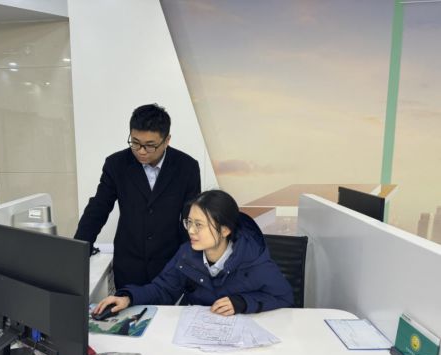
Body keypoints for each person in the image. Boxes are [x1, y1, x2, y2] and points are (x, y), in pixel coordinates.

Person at [93, 190, 294, 317]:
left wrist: (242, 303)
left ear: (225, 230)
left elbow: (284, 297)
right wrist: (128, 297)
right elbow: (163, 289)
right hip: (196, 332)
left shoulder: (254, 259)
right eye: (189, 222)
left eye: (199, 225)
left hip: (240, 336)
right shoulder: (187, 253)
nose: (190, 231)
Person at [74, 104, 201, 288]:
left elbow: (191, 219)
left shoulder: (187, 167)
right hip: (129, 265)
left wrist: (191, 263)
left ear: (167, 140)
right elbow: (98, 209)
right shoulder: (116, 164)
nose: (141, 151)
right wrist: (78, 252)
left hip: (170, 264)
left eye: (150, 145)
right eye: (135, 142)